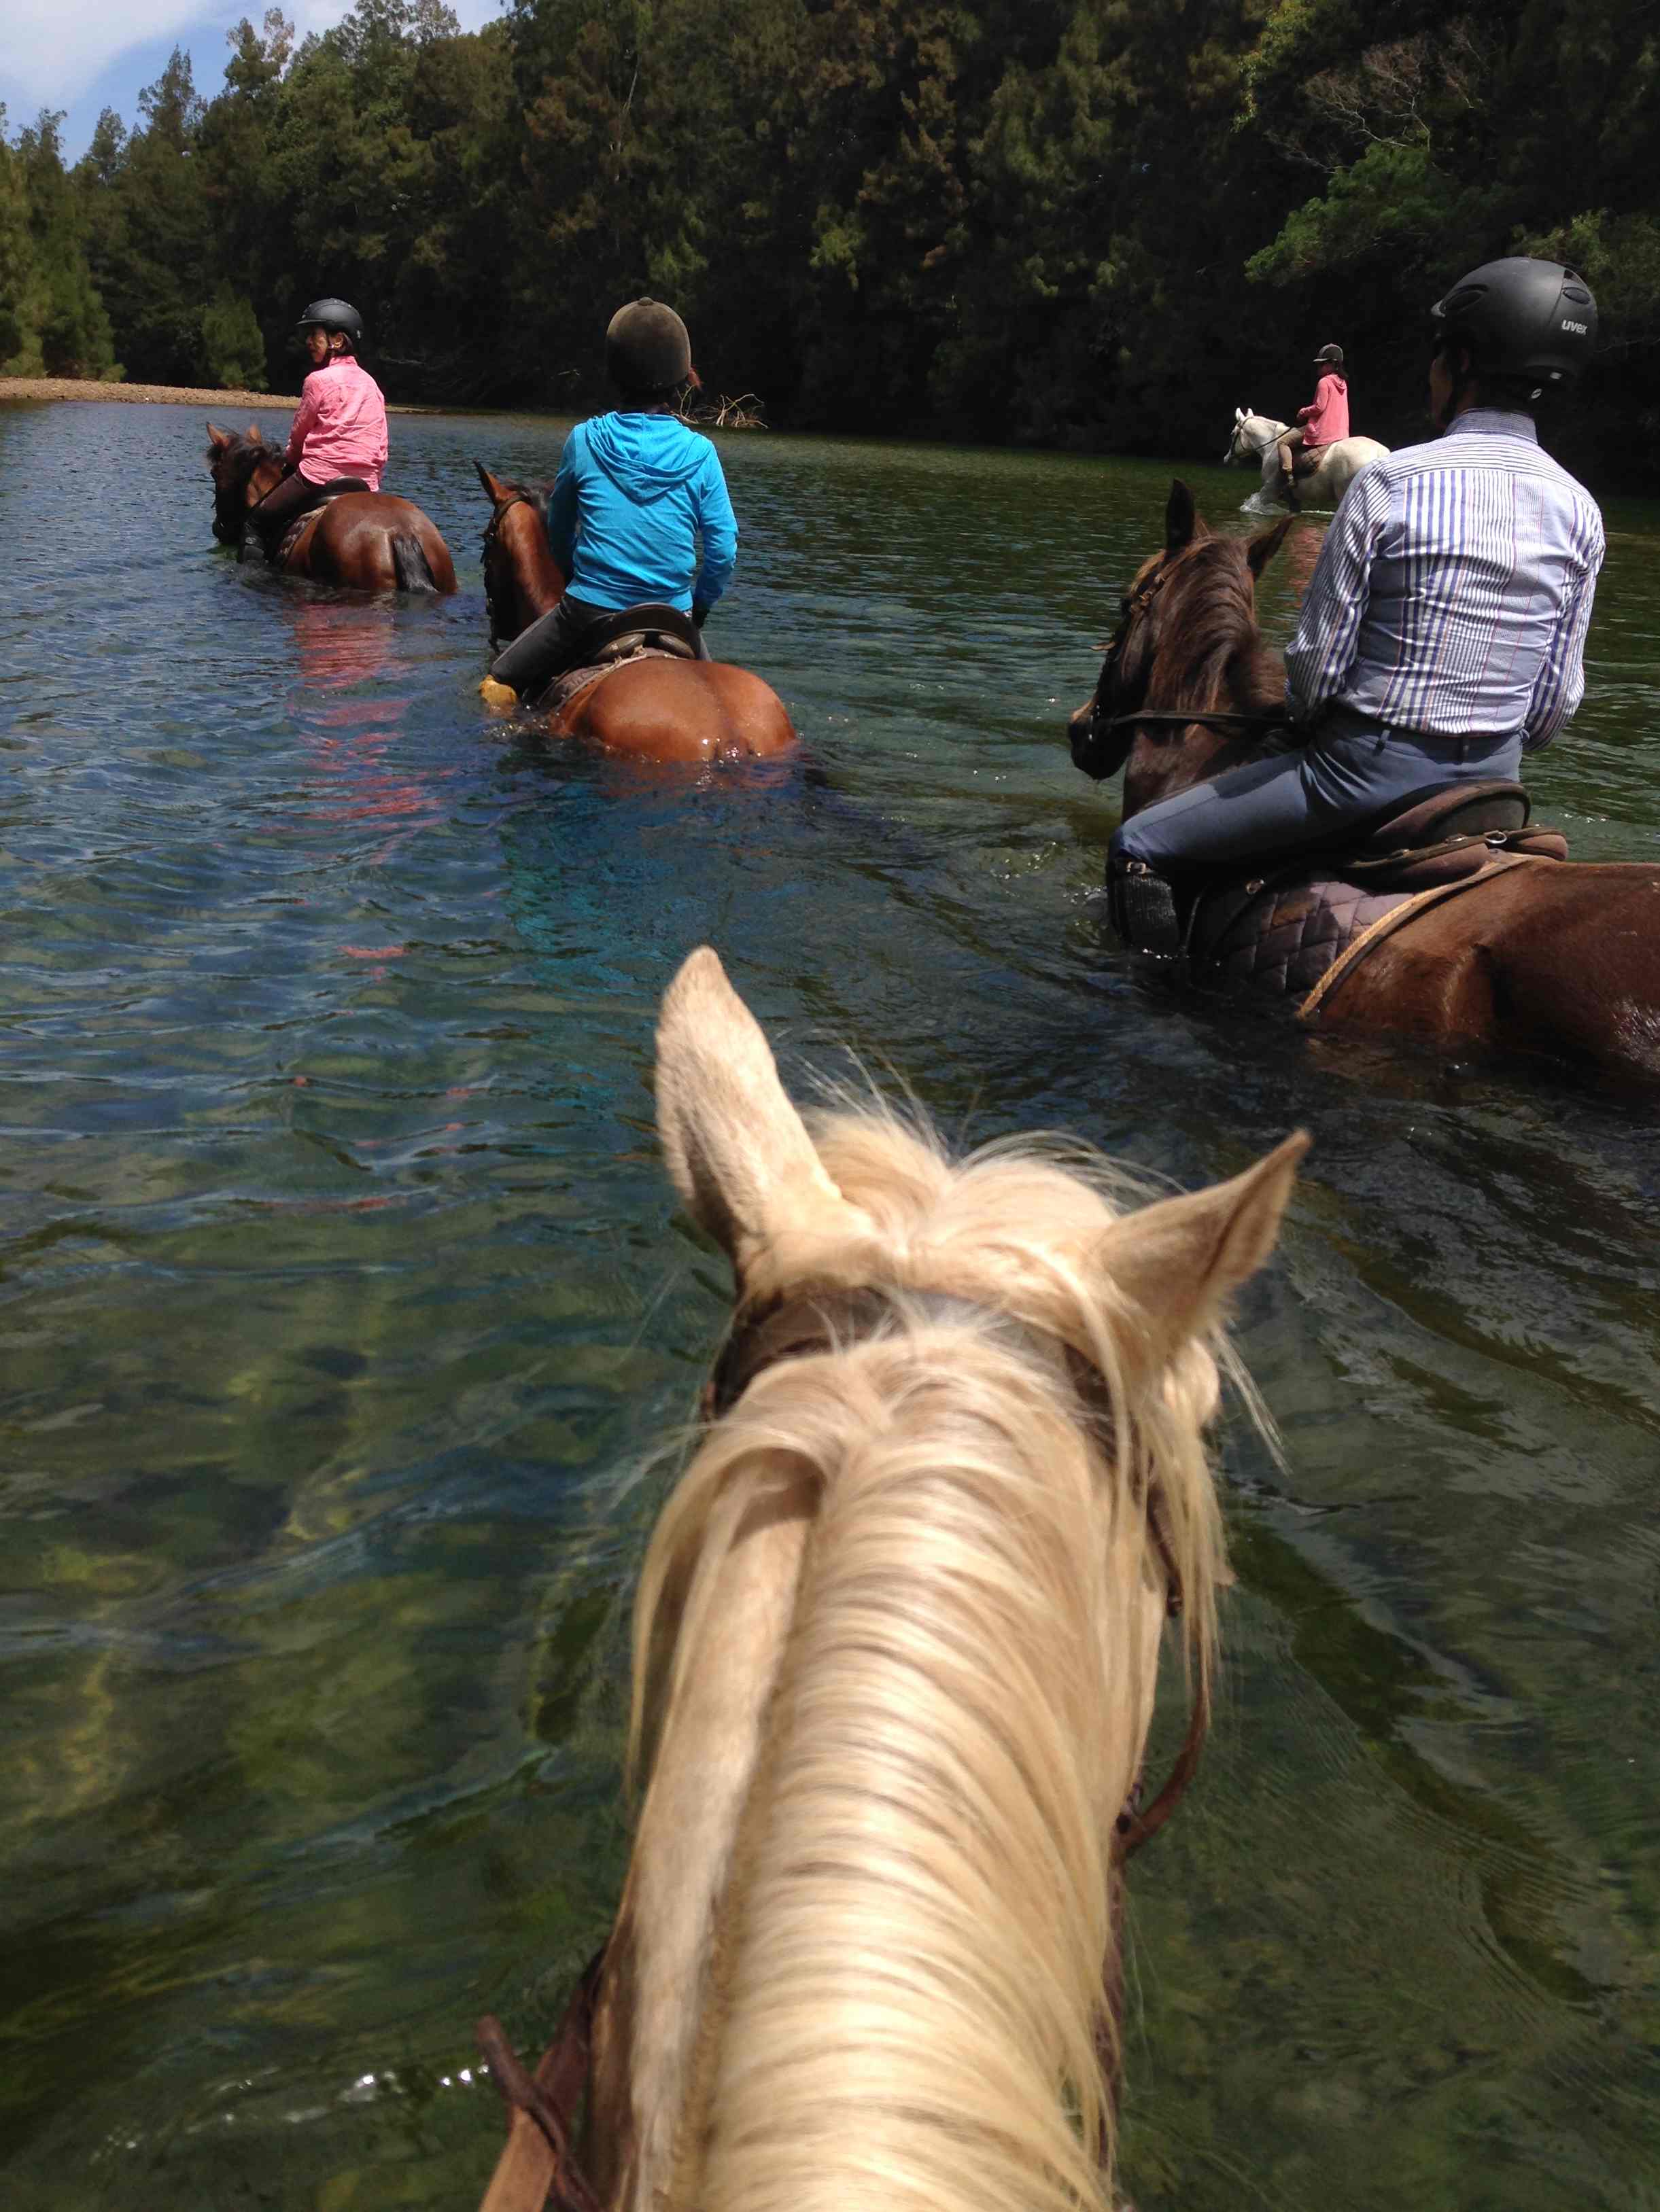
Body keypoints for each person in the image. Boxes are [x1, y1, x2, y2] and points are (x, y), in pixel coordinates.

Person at [1111, 258, 1606, 949]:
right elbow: (1553, 709)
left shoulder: (1390, 485)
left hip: (1360, 779)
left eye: (1438, 357)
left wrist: (1314, 724)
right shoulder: (1581, 510)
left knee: (1139, 842)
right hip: (1498, 784)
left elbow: (1316, 667)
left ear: (1460, 363)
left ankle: (1150, 1019)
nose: (1431, 373)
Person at [487, 298, 737, 696]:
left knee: (498, 681)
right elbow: (723, 551)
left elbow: (561, 528)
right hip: (673, 615)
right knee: (723, 705)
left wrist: (573, 573)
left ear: (615, 372)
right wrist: (700, 605)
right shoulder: (702, 453)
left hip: (590, 611)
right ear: (680, 378)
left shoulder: (584, 441)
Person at [250, 298, 389, 559]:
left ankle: (255, 590)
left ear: (337, 341)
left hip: (318, 478)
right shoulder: (373, 385)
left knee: (255, 523)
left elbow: (299, 436)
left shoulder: (317, 381)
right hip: (365, 484)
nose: (308, 342)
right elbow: (381, 446)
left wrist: (290, 463)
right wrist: (372, 478)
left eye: (314, 335)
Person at [1277, 343, 1349, 508]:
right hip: (1342, 432)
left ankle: (1288, 478)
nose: (1319, 368)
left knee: (1283, 442)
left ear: (1332, 364)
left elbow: (1319, 407)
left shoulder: (1324, 382)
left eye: (1322, 364)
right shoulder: (1343, 383)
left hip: (1323, 431)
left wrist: (1303, 412)